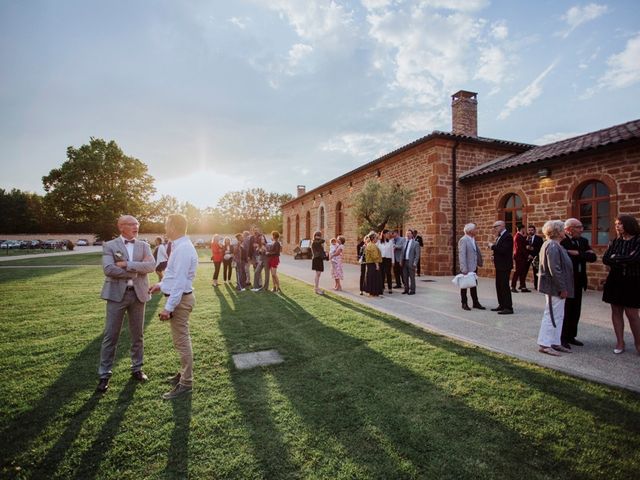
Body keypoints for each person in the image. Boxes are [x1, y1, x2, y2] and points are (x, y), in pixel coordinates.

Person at [96, 215, 156, 393]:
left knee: (138, 335)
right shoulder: (110, 245)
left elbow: (151, 266)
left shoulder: (144, 245)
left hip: (138, 295)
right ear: (121, 227)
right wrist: (134, 271)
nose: (136, 227)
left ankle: (137, 369)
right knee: (110, 336)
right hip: (116, 295)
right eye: (131, 224)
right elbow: (108, 269)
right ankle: (104, 375)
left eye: (137, 224)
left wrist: (127, 264)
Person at [149, 213, 198, 400]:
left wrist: (168, 308)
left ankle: (186, 382)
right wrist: (160, 285)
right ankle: (183, 373)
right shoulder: (179, 246)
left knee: (182, 341)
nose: (165, 229)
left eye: (167, 225)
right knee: (180, 340)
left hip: (180, 301)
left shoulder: (184, 248)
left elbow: (179, 281)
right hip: (179, 298)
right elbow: (171, 274)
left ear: (174, 227)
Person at [602, 215, 640, 355]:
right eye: (616, 223)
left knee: (632, 313)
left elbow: (634, 258)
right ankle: (620, 342)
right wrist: (621, 259)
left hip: (633, 279)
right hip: (615, 280)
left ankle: (638, 343)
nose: (617, 226)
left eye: (620, 224)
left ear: (629, 225)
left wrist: (615, 258)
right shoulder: (615, 241)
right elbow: (606, 259)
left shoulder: (638, 240)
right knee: (616, 311)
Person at [537, 220, 574, 356]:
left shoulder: (556, 245)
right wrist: (562, 288)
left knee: (558, 315)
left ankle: (554, 341)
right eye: (563, 229)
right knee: (551, 315)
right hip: (554, 287)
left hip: (558, 287)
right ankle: (545, 344)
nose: (565, 231)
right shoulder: (552, 245)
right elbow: (555, 269)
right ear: (558, 232)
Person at [560, 218, 597, 348]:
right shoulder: (562, 242)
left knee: (576, 310)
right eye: (578, 227)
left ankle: (571, 336)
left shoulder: (583, 241)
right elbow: (564, 258)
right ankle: (562, 337)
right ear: (569, 229)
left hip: (579, 281)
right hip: (567, 281)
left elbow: (593, 257)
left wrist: (577, 253)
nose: (581, 230)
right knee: (566, 310)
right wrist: (582, 254)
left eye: (581, 227)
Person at [457, 223, 486, 311]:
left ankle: (475, 302)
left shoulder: (473, 239)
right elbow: (462, 255)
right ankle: (464, 303)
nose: (476, 230)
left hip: (474, 266)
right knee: (464, 286)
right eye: (475, 229)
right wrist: (464, 268)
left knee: (474, 285)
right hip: (467, 267)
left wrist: (479, 262)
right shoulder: (463, 240)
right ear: (470, 231)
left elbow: (476, 252)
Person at [488, 220, 514, 314]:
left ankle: (508, 307)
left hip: (505, 266)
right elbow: (500, 251)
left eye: (496, 227)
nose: (494, 229)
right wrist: (494, 255)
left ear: (502, 226)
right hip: (499, 265)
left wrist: (492, 246)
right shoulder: (500, 236)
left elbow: (503, 250)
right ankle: (502, 304)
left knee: (504, 286)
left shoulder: (508, 236)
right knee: (499, 286)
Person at [511, 225, 531, 292]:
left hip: (521, 257)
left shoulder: (521, 236)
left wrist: (527, 239)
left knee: (523, 272)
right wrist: (527, 255)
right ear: (521, 229)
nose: (525, 230)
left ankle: (523, 287)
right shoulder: (518, 236)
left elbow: (524, 243)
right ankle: (513, 286)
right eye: (524, 229)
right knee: (518, 271)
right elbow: (520, 248)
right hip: (519, 257)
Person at [401, 229, 421, 295]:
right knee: (405, 277)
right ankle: (406, 289)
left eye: (409, 233)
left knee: (412, 277)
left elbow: (417, 254)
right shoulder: (404, 242)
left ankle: (412, 290)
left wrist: (415, 263)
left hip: (411, 262)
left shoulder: (416, 243)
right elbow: (402, 252)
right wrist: (401, 261)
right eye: (407, 233)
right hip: (404, 262)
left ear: (412, 235)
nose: (407, 235)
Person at [364, 232, 383, 296]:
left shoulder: (369, 244)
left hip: (370, 264)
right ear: (373, 238)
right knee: (374, 278)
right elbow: (375, 256)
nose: (377, 239)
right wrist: (377, 265)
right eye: (376, 238)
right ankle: (373, 292)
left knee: (371, 278)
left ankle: (371, 292)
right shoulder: (372, 246)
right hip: (373, 264)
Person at [525, 225, 544, 290]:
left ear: (534, 231)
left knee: (536, 272)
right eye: (529, 230)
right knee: (524, 271)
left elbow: (541, 248)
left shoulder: (539, 238)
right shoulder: (525, 238)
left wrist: (533, 249)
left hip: (535, 257)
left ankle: (537, 285)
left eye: (532, 230)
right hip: (527, 257)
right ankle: (522, 285)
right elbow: (522, 248)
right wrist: (528, 255)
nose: (530, 232)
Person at [379, 229, 394, 294]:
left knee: (388, 274)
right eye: (387, 233)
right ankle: (382, 287)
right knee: (382, 274)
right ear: (384, 234)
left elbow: (392, 252)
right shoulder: (379, 242)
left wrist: (393, 261)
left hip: (388, 259)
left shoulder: (390, 242)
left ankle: (390, 288)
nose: (389, 235)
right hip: (381, 259)